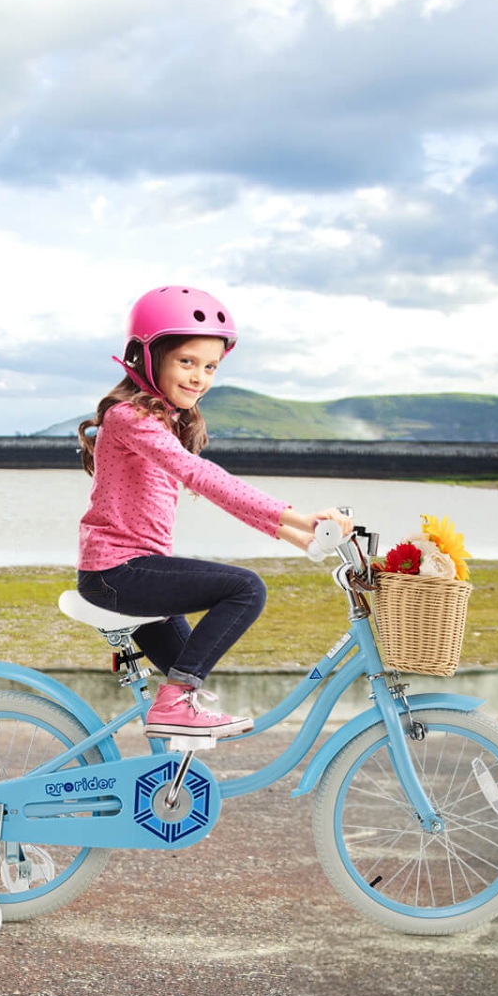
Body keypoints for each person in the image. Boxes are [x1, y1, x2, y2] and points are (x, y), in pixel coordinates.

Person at [75, 286, 351, 738]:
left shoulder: (160, 421)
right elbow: (206, 478)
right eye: (187, 361)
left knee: (190, 696)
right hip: (117, 574)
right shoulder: (130, 418)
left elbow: (218, 493)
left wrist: (299, 537)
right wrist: (300, 518)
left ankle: (172, 760)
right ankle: (173, 707)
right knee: (246, 589)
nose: (199, 377)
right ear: (148, 357)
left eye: (210, 367)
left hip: (136, 573)